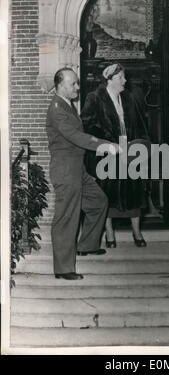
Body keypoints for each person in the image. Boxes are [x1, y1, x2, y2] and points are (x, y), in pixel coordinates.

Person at [46, 68, 119, 280]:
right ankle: (63, 268)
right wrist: (107, 146)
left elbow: (79, 137)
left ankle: (87, 245)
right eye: (73, 84)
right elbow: (77, 137)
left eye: (77, 83)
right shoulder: (57, 108)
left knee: (98, 201)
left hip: (77, 169)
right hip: (66, 170)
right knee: (67, 217)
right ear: (60, 85)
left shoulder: (68, 105)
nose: (78, 87)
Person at [81, 63, 150, 248]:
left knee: (135, 192)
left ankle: (137, 232)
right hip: (106, 155)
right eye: (121, 78)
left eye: (124, 77)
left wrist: (141, 146)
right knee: (107, 194)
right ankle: (109, 235)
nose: (125, 81)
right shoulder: (94, 98)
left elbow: (140, 124)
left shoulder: (128, 98)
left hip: (129, 154)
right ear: (109, 80)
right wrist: (108, 142)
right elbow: (87, 125)